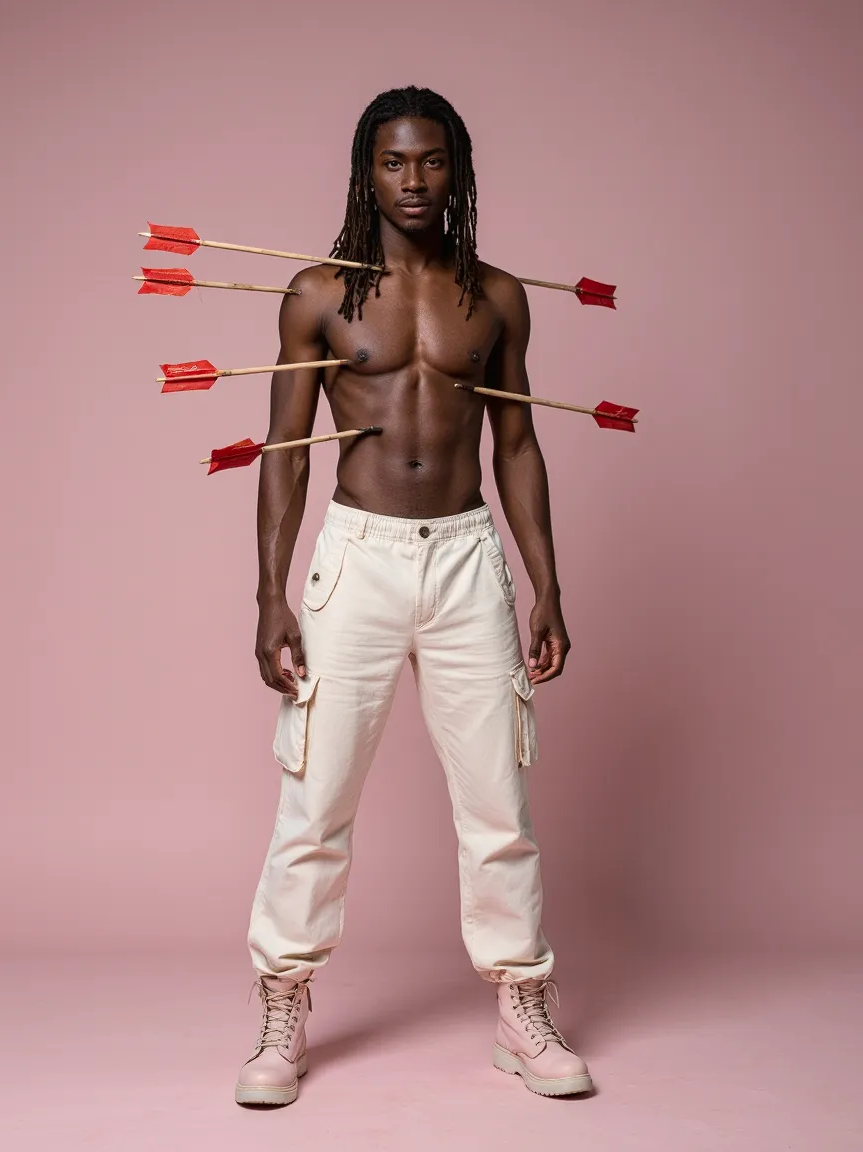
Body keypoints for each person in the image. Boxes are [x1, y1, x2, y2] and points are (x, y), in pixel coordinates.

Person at [235, 86, 592, 1105]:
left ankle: (522, 1004)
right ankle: (282, 1002)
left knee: (498, 803)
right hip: (357, 558)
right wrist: (269, 596)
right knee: (316, 796)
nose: (413, 181)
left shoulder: (497, 296)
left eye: (431, 161)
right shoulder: (315, 293)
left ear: (457, 170)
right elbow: (282, 457)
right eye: (393, 163)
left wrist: (546, 585)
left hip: (467, 558)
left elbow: (516, 441)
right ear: (366, 171)